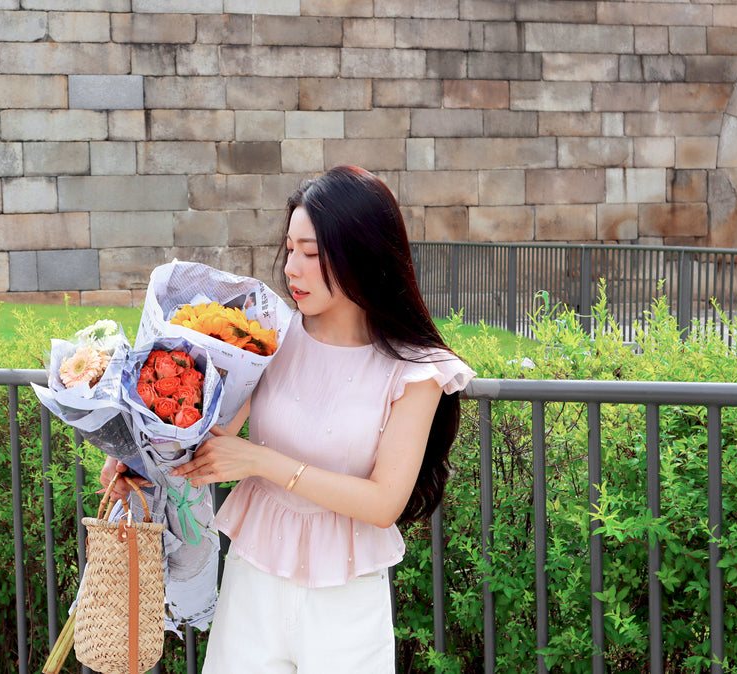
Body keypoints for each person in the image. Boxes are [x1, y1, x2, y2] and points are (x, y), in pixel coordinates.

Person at [102, 165, 475, 672]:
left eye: (313, 254)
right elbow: (207, 440)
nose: (292, 268)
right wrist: (139, 460)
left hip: (345, 598)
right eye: (291, 249)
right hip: (253, 580)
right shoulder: (268, 338)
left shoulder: (417, 371)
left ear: (361, 254)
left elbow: (384, 502)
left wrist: (262, 462)